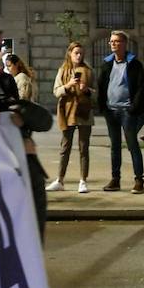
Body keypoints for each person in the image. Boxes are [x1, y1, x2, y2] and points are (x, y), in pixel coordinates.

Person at [96, 31, 144, 193]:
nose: (113, 44)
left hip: (127, 111)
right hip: (111, 111)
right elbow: (101, 86)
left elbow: (141, 88)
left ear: (124, 44)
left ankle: (139, 180)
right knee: (115, 146)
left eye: (117, 41)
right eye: (111, 41)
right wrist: (103, 108)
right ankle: (115, 179)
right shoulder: (107, 64)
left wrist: (133, 109)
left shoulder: (134, 64)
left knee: (132, 144)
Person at [47, 42, 94, 193]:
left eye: (81, 53)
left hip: (84, 113)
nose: (79, 56)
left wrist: (86, 90)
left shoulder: (88, 71)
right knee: (65, 147)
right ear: (70, 53)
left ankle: (83, 181)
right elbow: (56, 91)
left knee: (83, 148)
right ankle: (60, 180)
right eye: (76, 53)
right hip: (67, 113)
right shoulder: (63, 70)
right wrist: (68, 85)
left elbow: (96, 92)